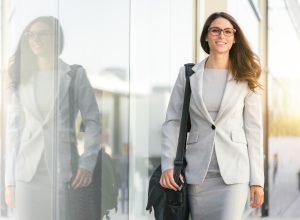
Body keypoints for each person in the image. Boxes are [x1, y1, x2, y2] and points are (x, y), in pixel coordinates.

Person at [160, 12, 264, 220]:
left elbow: (254, 131)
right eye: (215, 30)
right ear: (206, 36)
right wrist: (168, 164)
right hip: (198, 174)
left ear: (234, 38)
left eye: (227, 31)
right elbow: (173, 121)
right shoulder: (188, 74)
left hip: (234, 174)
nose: (221, 36)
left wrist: (257, 180)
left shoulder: (245, 76)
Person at [4, 16, 100, 220]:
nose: (35, 39)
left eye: (41, 34)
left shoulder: (74, 75)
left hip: (63, 171)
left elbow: (92, 121)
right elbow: (13, 133)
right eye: (31, 35)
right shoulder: (23, 77)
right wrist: (9, 181)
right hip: (26, 173)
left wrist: (87, 163)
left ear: (56, 38)